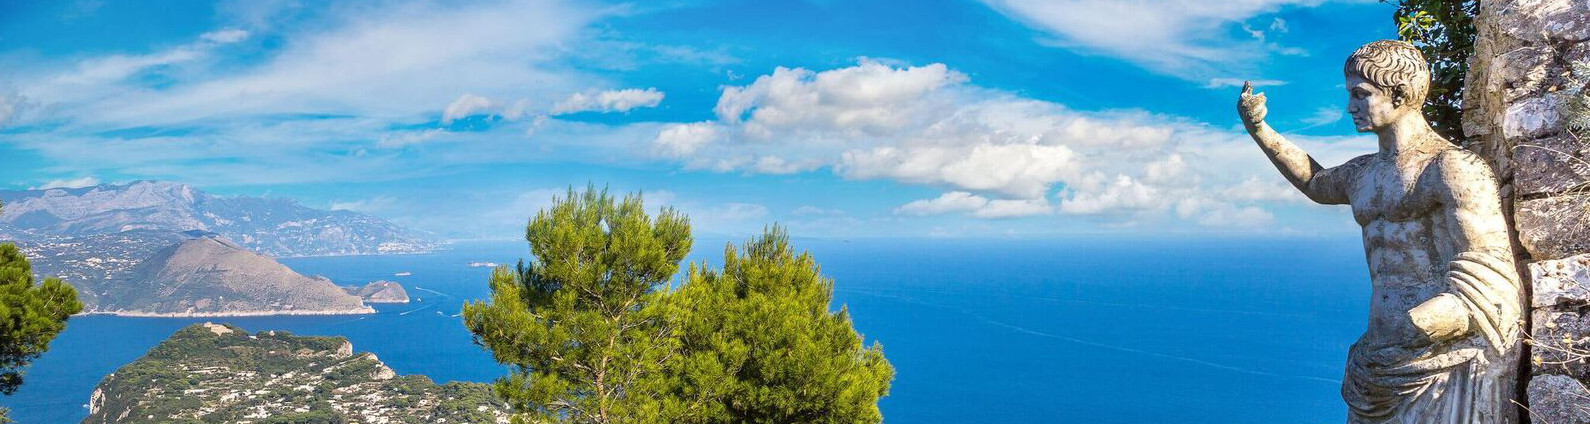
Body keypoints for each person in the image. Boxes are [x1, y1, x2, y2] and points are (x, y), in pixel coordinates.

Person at [1238, 40, 1524, 423]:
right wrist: (1259, 129)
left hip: (1438, 355)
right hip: (1377, 356)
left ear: (1400, 94)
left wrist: (1420, 324)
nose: (1349, 107)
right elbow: (1315, 181)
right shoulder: (1362, 173)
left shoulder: (1451, 168)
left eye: (1361, 94)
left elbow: (1490, 276)